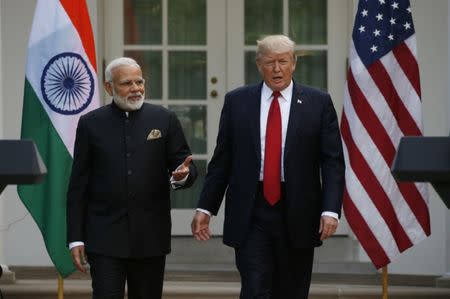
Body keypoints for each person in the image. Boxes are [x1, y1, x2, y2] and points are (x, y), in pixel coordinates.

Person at [191, 35, 345, 299]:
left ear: (294, 63)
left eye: (283, 61)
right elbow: (222, 160)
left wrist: (330, 210)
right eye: (270, 62)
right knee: (254, 287)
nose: (277, 69)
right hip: (252, 210)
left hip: (298, 210)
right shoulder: (237, 101)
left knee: (292, 290)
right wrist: (206, 207)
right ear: (258, 64)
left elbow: (332, 162)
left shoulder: (317, 103)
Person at [67, 57, 197, 299]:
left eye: (139, 81)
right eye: (127, 83)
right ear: (109, 87)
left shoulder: (164, 119)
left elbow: (186, 166)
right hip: (103, 235)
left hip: (150, 237)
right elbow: (78, 186)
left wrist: (182, 175)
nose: (136, 88)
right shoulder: (90, 124)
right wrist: (75, 238)